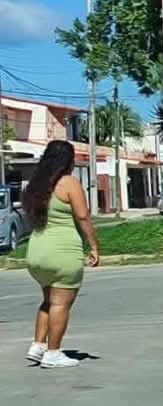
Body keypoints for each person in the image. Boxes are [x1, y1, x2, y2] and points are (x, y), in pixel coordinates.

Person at [22, 140, 101, 368]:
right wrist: (94, 246)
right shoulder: (69, 183)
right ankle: (53, 353)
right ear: (68, 160)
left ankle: (38, 346)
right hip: (62, 254)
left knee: (48, 301)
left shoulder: (37, 185)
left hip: (36, 252)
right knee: (60, 304)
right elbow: (83, 217)